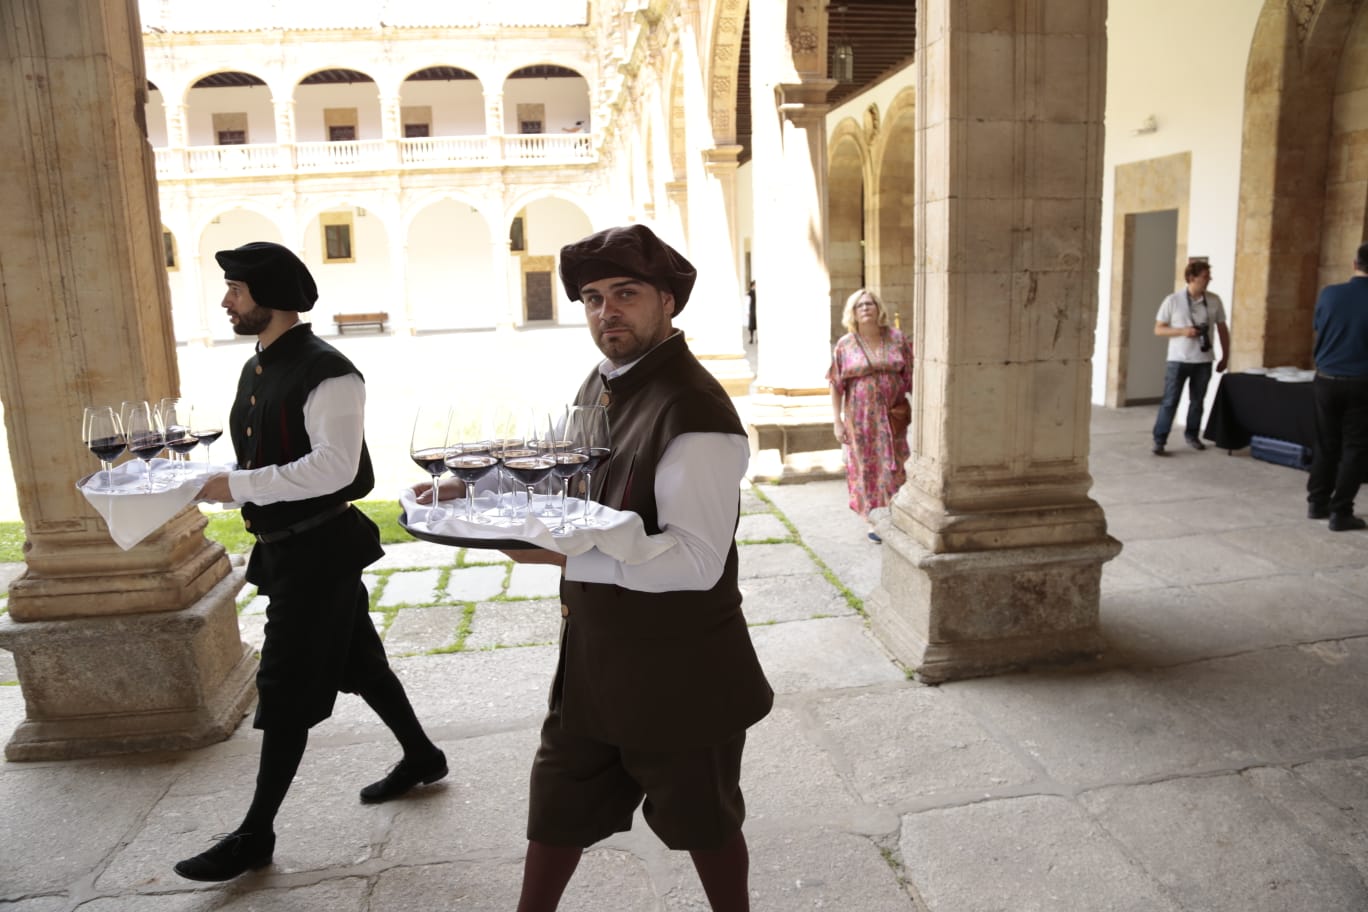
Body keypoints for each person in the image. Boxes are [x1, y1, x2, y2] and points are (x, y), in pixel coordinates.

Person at [502, 225, 773, 912]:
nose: (605, 313)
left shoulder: (694, 411)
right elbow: (569, 474)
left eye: (625, 294)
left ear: (668, 302)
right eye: (592, 298)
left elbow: (697, 562)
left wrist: (566, 551)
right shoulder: (601, 381)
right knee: (557, 806)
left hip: (682, 673)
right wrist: (478, 489)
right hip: (594, 657)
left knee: (704, 822)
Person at [179, 242, 447, 882]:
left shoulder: (330, 372)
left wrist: (238, 487)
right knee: (360, 660)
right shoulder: (261, 365)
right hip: (288, 547)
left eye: (235, 290)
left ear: (268, 295)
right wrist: (221, 479)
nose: (225, 301)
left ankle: (255, 834)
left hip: (319, 551)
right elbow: (264, 456)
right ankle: (423, 755)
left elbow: (334, 467)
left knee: (286, 686)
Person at [828, 288, 913, 543]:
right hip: (860, 420)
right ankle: (874, 518)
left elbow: (910, 376)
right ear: (852, 313)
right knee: (867, 468)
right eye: (859, 306)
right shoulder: (845, 344)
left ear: (878, 309)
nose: (865, 308)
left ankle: (897, 513)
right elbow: (835, 383)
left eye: (870, 304)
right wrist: (837, 421)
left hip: (892, 416)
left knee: (896, 464)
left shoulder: (897, 338)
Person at [1306, 242, 1368, 531]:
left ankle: (1317, 502)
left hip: (1326, 379)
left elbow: (1319, 328)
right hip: (1361, 382)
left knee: (1325, 443)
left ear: (1355, 264)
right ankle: (1341, 511)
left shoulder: (1329, 294)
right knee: (1354, 448)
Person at [1151, 259, 1230, 455]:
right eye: (1205, 276)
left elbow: (1222, 329)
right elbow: (1158, 329)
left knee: (1198, 401)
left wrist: (1225, 356)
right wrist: (1182, 331)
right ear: (1192, 278)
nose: (1209, 279)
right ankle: (1159, 439)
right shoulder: (1173, 300)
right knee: (1170, 401)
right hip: (1178, 359)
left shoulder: (1214, 300)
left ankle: (1192, 435)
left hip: (1203, 360)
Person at [746, 279, 757, 344]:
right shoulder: (749, 293)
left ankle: (757, 339)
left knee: (757, 325)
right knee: (752, 325)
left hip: (756, 309)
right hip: (752, 310)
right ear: (753, 285)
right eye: (755, 284)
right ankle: (751, 339)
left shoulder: (757, 292)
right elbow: (747, 303)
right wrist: (747, 312)